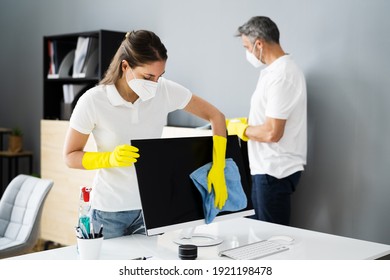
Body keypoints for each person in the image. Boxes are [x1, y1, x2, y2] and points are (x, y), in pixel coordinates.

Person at [63, 30, 228, 239]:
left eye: (159, 76)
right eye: (148, 76)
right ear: (125, 66)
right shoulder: (93, 101)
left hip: (149, 210)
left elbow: (216, 116)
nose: (155, 84)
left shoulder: (163, 91)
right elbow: (70, 156)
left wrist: (219, 166)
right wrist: (108, 158)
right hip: (108, 212)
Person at [227, 16, 307, 226]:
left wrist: (243, 129)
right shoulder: (275, 73)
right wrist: (249, 123)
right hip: (267, 169)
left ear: (259, 44)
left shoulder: (282, 75)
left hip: (274, 171)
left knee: (271, 239)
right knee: (259, 234)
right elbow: (270, 118)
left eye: (247, 46)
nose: (248, 53)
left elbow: (273, 132)